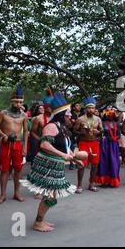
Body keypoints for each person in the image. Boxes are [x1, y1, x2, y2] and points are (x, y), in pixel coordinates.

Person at [21, 92, 86, 232]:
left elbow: (65, 148)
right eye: (68, 112)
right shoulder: (52, 126)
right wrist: (63, 155)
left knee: (51, 195)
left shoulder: (62, 128)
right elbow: (44, 145)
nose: (70, 115)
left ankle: (41, 219)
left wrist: (75, 159)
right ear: (62, 114)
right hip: (47, 164)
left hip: (55, 164)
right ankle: (38, 222)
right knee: (51, 195)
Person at [0, 85, 29, 204]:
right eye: (16, 102)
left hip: (18, 144)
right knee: (5, 170)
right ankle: (2, 194)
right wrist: (3, 135)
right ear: (11, 102)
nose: (18, 104)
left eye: (20, 102)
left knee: (18, 170)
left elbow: (26, 132)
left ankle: (16, 193)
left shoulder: (24, 115)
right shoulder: (3, 113)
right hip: (6, 144)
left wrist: (25, 147)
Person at [73, 96, 102, 193]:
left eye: (92, 108)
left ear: (95, 109)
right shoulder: (80, 119)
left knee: (95, 165)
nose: (91, 109)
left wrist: (98, 132)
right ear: (86, 109)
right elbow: (74, 130)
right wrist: (82, 132)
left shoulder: (98, 119)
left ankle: (91, 184)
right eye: (89, 108)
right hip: (84, 143)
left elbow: (102, 131)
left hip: (94, 143)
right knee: (82, 165)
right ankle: (79, 185)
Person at [95, 107, 121, 188]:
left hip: (114, 144)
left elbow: (119, 134)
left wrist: (116, 138)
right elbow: (99, 133)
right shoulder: (103, 123)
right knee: (104, 161)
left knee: (114, 162)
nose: (110, 115)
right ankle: (104, 181)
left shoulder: (116, 123)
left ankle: (112, 181)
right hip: (105, 144)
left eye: (111, 114)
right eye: (108, 114)